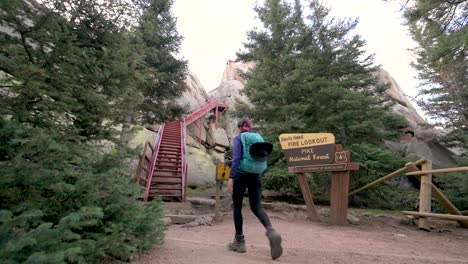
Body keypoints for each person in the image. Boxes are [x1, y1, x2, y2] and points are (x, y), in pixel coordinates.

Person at [227, 117, 282, 260]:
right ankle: (271, 231)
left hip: (240, 174)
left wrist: (231, 178)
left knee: (237, 206)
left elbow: (237, 158)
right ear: (250, 128)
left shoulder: (239, 138)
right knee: (256, 206)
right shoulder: (257, 138)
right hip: (256, 174)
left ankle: (239, 242)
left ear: (239, 127)